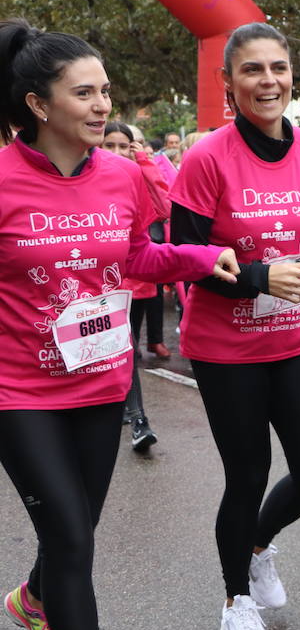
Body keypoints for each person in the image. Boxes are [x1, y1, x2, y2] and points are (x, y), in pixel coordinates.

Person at [0, 18, 237, 630]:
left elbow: (137, 254)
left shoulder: (123, 176)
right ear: (39, 105)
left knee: (74, 533)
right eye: (85, 93)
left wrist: (201, 257)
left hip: (103, 381)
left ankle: (34, 600)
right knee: (70, 535)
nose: (103, 105)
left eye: (105, 91)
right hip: (20, 391)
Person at [170, 22, 300, 630]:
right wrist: (257, 276)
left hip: (290, 340)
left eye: (278, 68)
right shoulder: (207, 158)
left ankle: (255, 548)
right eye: (252, 70)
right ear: (229, 84)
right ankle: (236, 604)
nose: (268, 81)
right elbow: (184, 259)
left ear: (292, 75)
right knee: (248, 472)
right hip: (223, 348)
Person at [97, 121, 169, 453]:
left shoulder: (136, 173)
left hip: (136, 281)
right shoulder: (84, 177)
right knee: (115, 350)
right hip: (98, 285)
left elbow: (166, 207)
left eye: (122, 145)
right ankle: (129, 414)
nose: (114, 152)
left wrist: (143, 162)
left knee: (127, 348)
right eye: (107, 144)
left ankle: (137, 419)